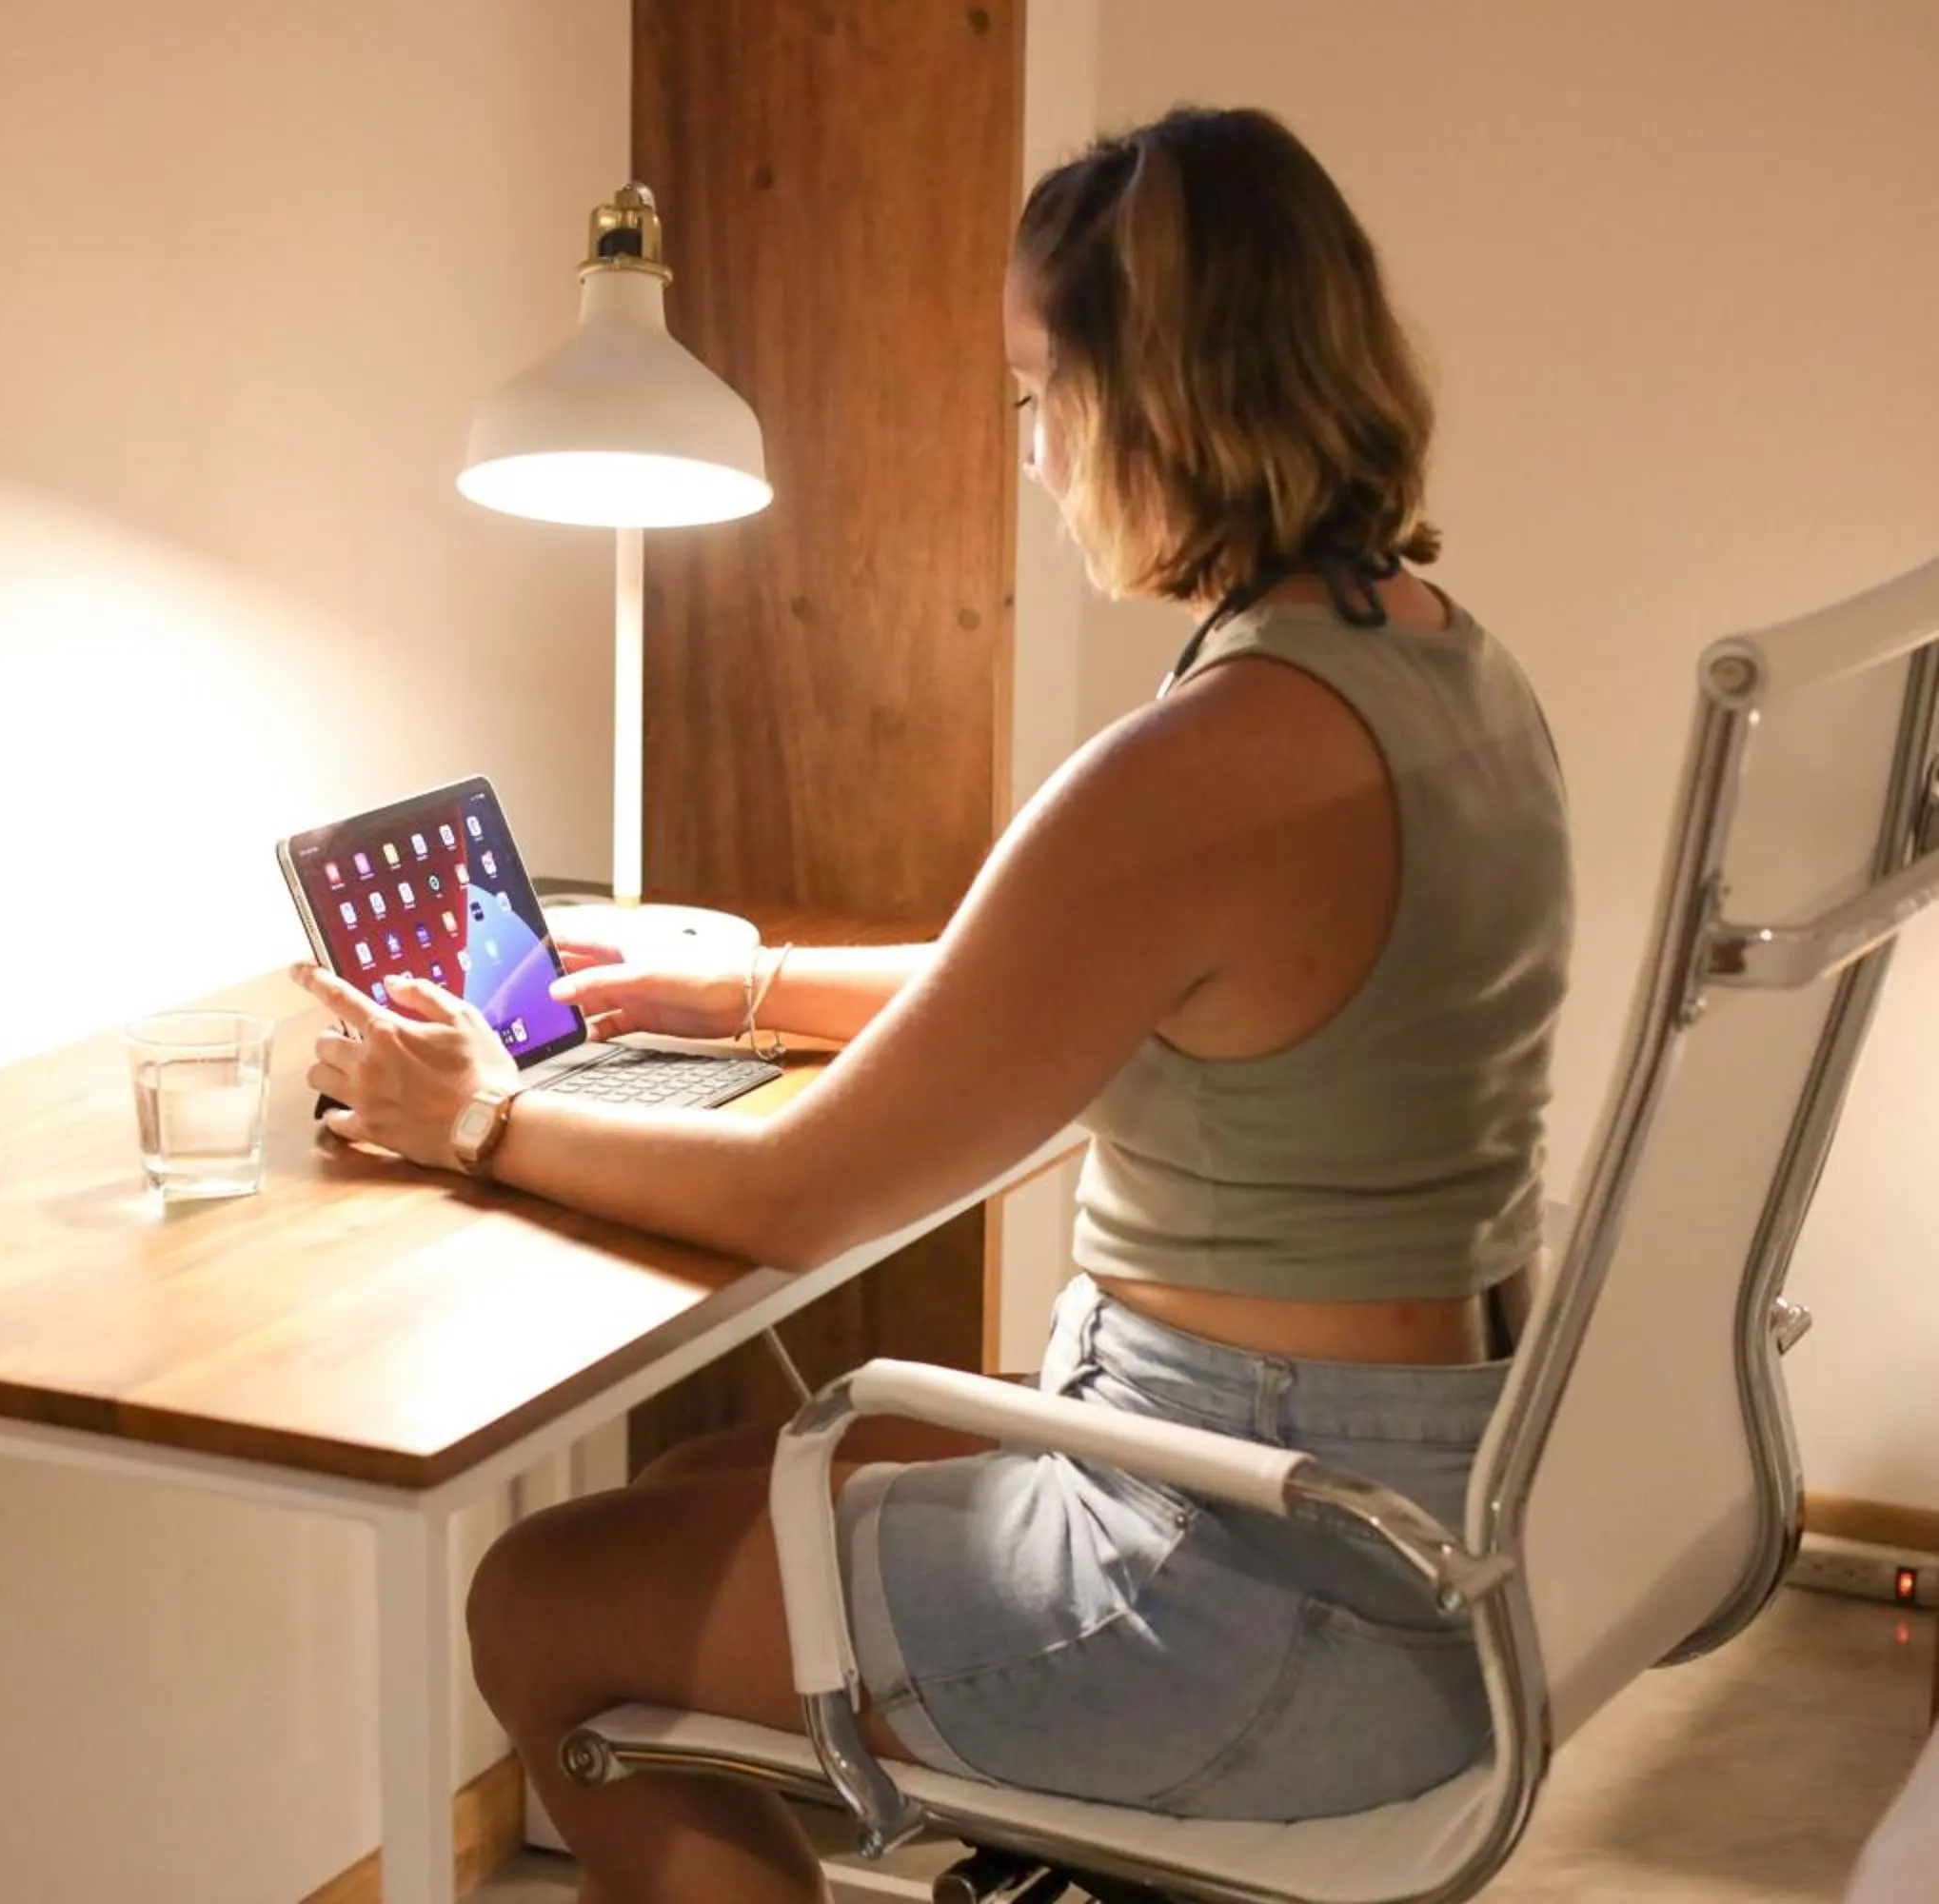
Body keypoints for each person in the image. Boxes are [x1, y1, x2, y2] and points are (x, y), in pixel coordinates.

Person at [292, 104, 1571, 1904]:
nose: (1035, 453)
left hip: (1237, 1589)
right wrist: (746, 985)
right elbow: (1097, 980)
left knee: (540, 1601)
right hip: (1402, 1528)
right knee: (739, 1463)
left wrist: (480, 1122)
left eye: (1040, 395)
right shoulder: (1442, 667)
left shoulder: (1211, 758)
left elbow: (798, 1195)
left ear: (1159, 402)